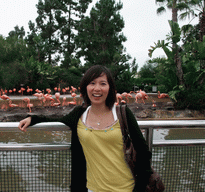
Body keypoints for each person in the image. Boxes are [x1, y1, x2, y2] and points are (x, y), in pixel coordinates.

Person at [18, 65, 152, 192]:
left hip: (125, 188)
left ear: (110, 88)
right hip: (92, 188)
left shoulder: (122, 114)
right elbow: (56, 118)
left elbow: (144, 152)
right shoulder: (79, 114)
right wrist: (33, 119)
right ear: (85, 87)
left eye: (102, 83)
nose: (97, 88)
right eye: (92, 83)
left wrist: (139, 189)